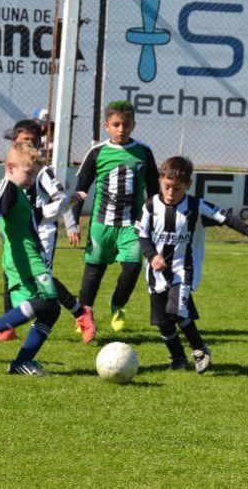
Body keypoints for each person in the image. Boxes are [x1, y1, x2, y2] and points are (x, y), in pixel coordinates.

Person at [137, 156, 248, 372]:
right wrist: (152, 255)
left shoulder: (195, 205)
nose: (171, 193)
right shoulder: (150, 207)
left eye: (177, 189)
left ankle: (200, 350)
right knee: (163, 322)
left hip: (183, 270)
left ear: (188, 186)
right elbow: (143, 237)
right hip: (156, 273)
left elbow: (227, 218)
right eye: (167, 187)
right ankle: (178, 359)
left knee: (178, 312)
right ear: (160, 181)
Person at [0, 142, 85, 376]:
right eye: (28, 173)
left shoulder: (19, 195)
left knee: (51, 311)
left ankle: (21, 362)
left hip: (32, 259)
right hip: (25, 259)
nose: (32, 180)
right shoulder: (7, 187)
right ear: (10, 167)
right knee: (46, 303)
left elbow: (41, 215)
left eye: (34, 175)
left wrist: (68, 201)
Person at [0, 119, 95, 343]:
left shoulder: (42, 170)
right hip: (18, 232)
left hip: (42, 231)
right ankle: (8, 326)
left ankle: (81, 313)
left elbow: (61, 198)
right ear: (14, 141)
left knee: (43, 279)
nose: (29, 144)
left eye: (33, 140)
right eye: (25, 139)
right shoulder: (11, 167)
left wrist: (71, 224)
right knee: (10, 273)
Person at [74, 100, 159, 331]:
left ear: (134, 125)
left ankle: (118, 306)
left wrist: (155, 223)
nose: (122, 129)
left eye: (127, 124)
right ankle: (85, 316)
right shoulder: (97, 152)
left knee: (132, 268)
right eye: (116, 124)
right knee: (94, 272)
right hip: (101, 225)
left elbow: (154, 192)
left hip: (132, 225)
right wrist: (73, 224)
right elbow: (80, 190)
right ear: (106, 125)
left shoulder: (144, 152)